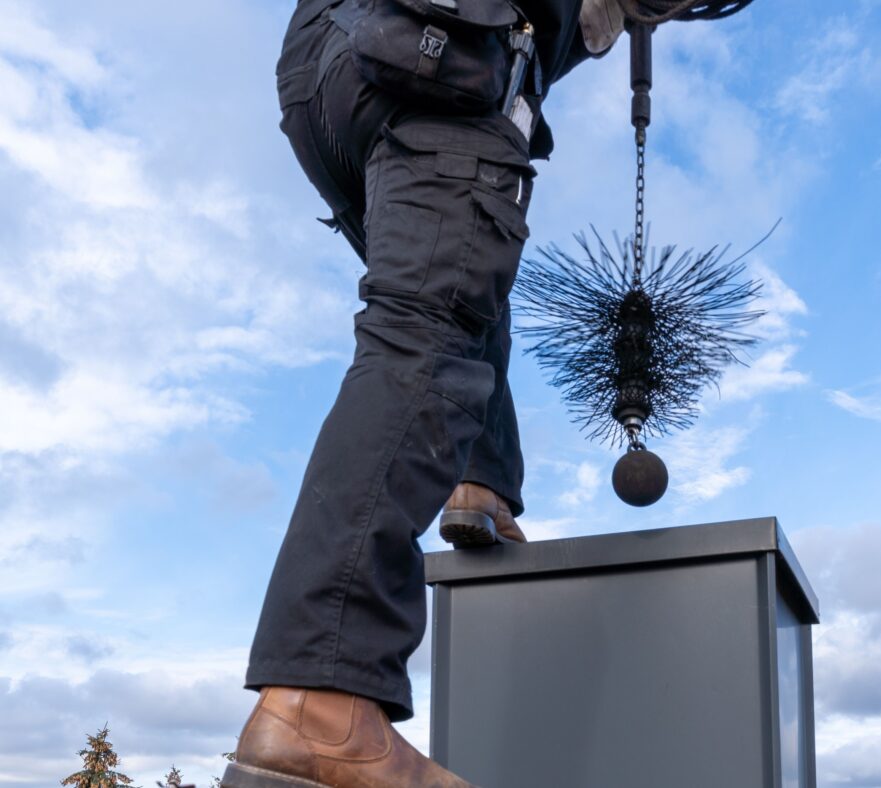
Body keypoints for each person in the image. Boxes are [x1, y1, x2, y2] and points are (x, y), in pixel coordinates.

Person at [225, 1, 625, 786]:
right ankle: (319, 699)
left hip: (327, 72)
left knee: (457, 285)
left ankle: (482, 481)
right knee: (425, 335)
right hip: (441, 52)